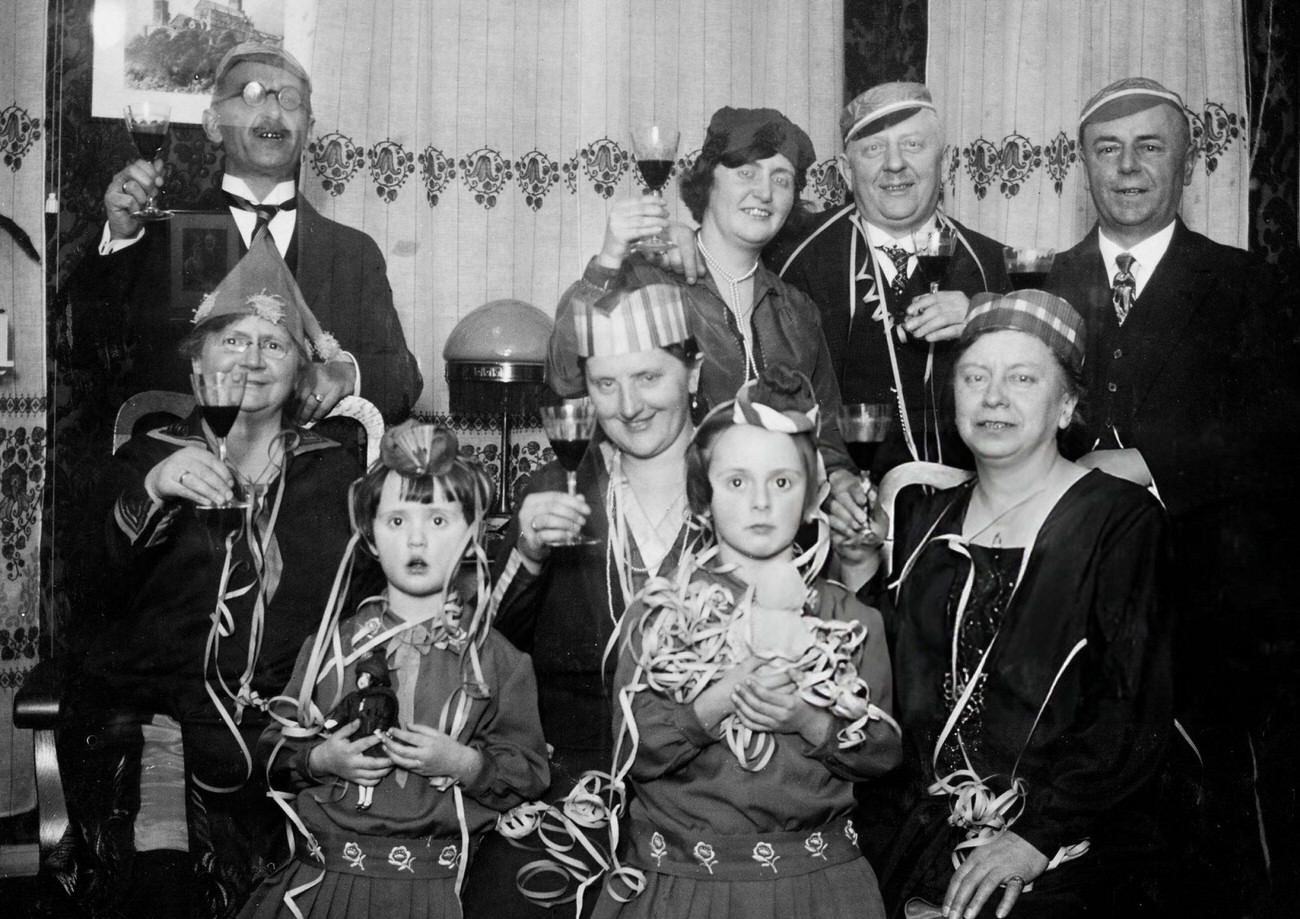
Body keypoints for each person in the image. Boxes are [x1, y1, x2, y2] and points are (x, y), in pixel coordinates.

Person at [58, 236, 374, 919]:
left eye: (275, 344)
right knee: (164, 888)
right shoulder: (149, 455)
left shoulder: (337, 475)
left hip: (289, 738)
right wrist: (151, 490)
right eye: (232, 341)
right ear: (198, 362)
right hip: (164, 733)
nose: (252, 359)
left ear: (301, 371)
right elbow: (88, 585)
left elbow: (379, 601)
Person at [1047, 76, 1300, 915]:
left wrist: (1149, 463)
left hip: (1207, 622)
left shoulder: (1242, 283)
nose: (1127, 168)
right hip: (1077, 619)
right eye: (1107, 150)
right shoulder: (1046, 280)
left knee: (1209, 855)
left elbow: (1275, 433)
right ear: (1081, 165)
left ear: (1186, 161)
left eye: (1149, 147)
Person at [839, 291, 1174, 918]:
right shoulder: (924, 517)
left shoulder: (1119, 520)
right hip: (926, 844)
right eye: (975, 376)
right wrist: (856, 573)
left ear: (1066, 405)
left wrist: (1034, 838)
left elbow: (1131, 708)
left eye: (1023, 378)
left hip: (1063, 851)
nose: (994, 397)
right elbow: (884, 684)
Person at [586, 366, 901, 919]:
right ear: (702, 499)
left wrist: (810, 721)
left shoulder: (849, 620)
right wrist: (717, 700)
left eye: (782, 482)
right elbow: (629, 751)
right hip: (681, 888)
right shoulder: (661, 615)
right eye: (736, 482)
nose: (760, 501)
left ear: (814, 498)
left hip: (817, 891)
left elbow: (882, 752)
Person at [238, 422, 550, 919]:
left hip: (438, 894)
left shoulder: (499, 660)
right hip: (328, 888)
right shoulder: (329, 646)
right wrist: (321, 759)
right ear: (371, 536)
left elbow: (531, 772)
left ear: (472, 536)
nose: (418, 539)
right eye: (398, 521)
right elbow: (272, 750)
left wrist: (465, 764)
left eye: (439, 521)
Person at [462, 282, 703, 918]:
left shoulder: (742, 483)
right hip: (571, 784)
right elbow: (483, 648)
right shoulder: (554, 485)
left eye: (649, 377)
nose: (629, 407)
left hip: (704, 790)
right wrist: (530, 555)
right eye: (605, 385)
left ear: (694, 373)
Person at [66, 40, 422, 424]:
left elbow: (403, 379)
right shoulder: (156, 236)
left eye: (289, 99)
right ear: (214, 125)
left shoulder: (354, 251)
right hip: (183, 474)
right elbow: (77, 350)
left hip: (314, 480)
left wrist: (348, 370)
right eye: (251, 94)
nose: (272, 111)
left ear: (309, 129)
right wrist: (120, 236)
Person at [545, 105, 854, 481]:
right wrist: (609, 259)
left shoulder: (797, 310)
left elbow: (830, 435)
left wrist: (840, 482)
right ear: (708, 182)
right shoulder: (648, 280)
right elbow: (565, 375)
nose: (764, 192)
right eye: (746, 172)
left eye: (782, 179)